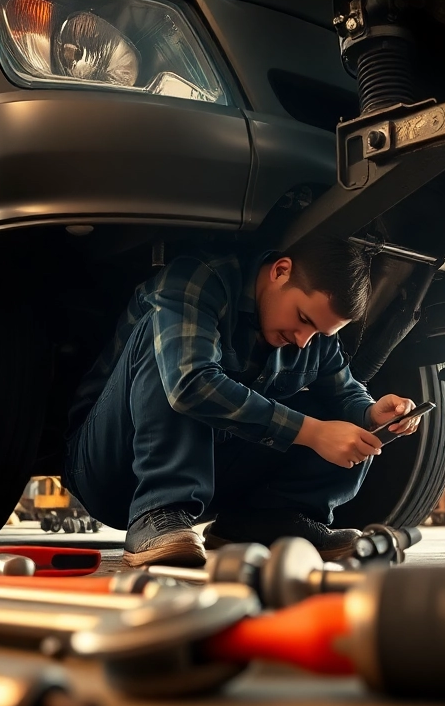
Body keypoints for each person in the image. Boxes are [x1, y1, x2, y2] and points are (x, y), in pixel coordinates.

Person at [63, 238, 426, 567]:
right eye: (303, 319)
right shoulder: (198, 279)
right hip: (108, 466)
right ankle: (160, 510)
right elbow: (189, 385)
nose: (303, 341)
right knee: (177, 355)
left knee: (351, 423)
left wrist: (370, 411)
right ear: (280, 272)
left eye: (318, 332)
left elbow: (345, 391)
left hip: (209, 481)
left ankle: (265, 522)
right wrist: (311, 432)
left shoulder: (311, 337)